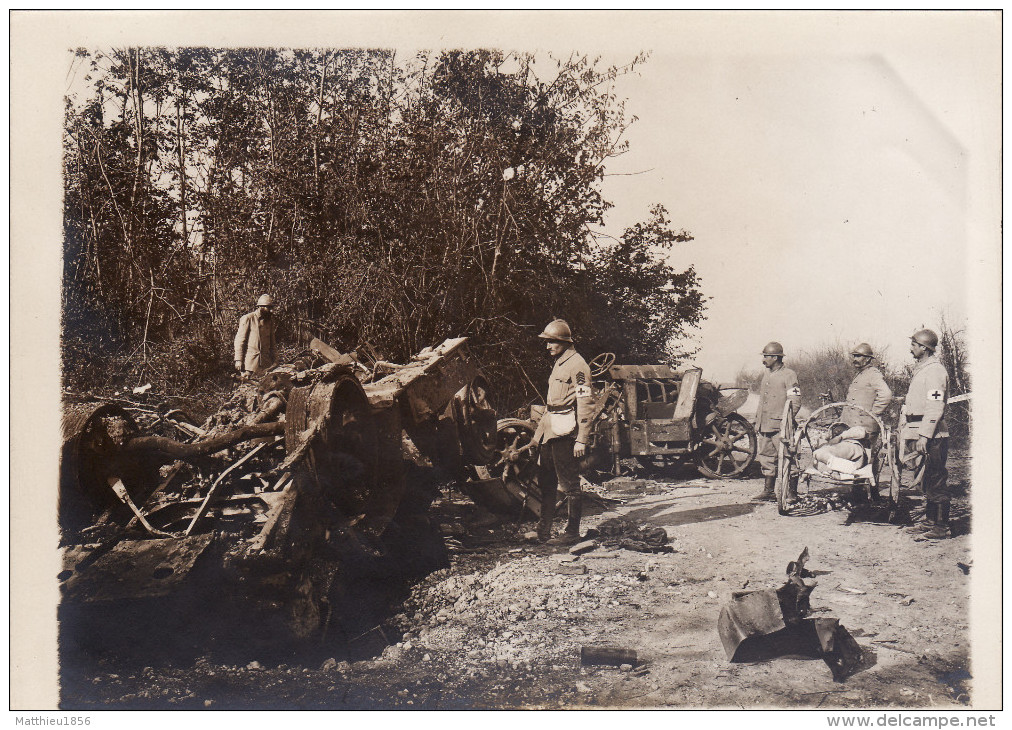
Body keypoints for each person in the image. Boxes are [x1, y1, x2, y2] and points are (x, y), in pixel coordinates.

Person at [531, 319, 594, 545]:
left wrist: (581, 439)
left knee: (569, 484)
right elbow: (551, 406)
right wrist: (537, 436)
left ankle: (572, 533)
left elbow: (586, 403)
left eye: (551, 342)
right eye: (547, 342)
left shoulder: (578, 366)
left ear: (564, 342)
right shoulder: (559, 362)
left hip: (566, 433)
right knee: (546, 481)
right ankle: (543, 531)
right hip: (551, 430)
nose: (547, 346)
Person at [902, 329, 951, 539]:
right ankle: (930, 521)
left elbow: (935, 405)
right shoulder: (922, 369)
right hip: (920, 430)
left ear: (924, 347)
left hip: (933, 435)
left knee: (936, 478)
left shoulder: (935, 372)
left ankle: (942, 527)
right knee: (926, 480)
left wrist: (925, 435)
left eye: (914, 344)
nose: (911, 347)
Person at [752, 341, 802, 503]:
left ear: (775, 357)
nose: (763, 360)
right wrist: (757, 421)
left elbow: (795, 401)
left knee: (788, 456)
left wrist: (786, 422)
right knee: (766, 457)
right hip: (765, 424)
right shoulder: (767, 375)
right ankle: (768, 491)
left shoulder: (789, 375)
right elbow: (763, 402)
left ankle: (792, 493)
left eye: (766, 356)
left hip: (781, 426)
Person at [841, 343, 893, 435]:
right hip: (852, 425)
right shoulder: (860, 374)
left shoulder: (873, 374)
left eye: (858, 356)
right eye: (854, 356)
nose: (855, 359)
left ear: (868, 358)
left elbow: (886, 394)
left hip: (864, 427)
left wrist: (873, 414)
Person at [234, 294, 278, 380]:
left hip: (266, 365)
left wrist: (276, 360)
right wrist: (238, 360)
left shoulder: (269, 321)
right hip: (250, 365)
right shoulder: (248, 318)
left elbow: (273, 343)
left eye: (270, 308)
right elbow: (239, 340)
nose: (270, 310)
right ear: (260, 307)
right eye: (267, 308)